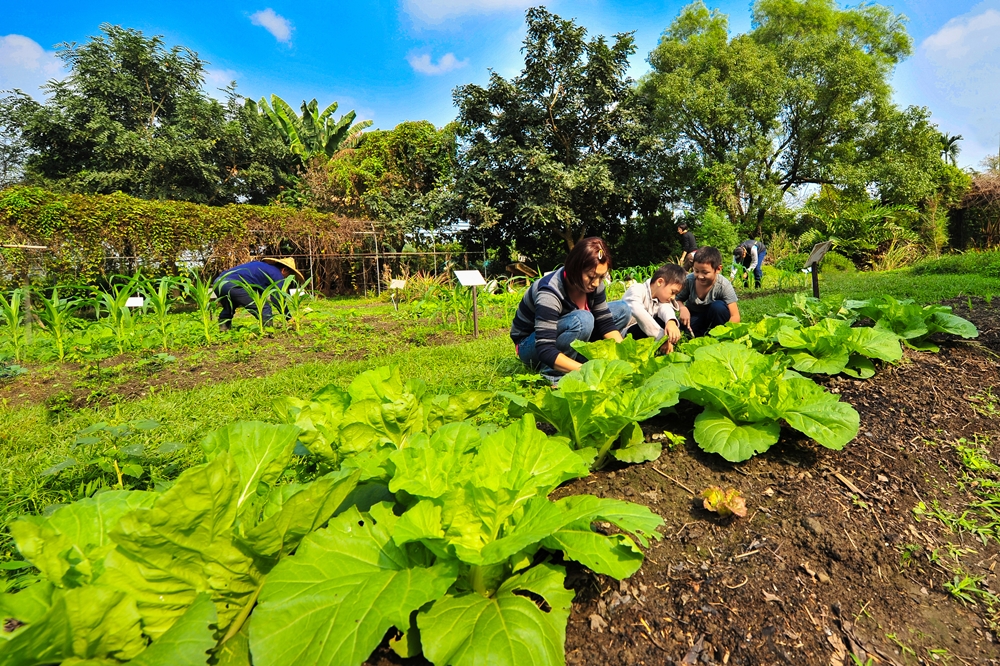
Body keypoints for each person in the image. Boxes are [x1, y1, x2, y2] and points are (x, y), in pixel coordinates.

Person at [511, 237, 632, 381]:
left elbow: (606, 324)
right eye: (591, 277)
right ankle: (554, 375)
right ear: (575, 268)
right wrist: (587, 371)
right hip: (532, 345)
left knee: (622, 310)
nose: (596, 283)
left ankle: (574, 359)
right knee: (582, 320)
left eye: (601, 277)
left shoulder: (596, 285)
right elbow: (545, 349)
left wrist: (628, 358)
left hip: (568, 330)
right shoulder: (549, 292)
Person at [213, 257, 304, 330]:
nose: (286, 278)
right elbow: (277, 298)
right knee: (264, 307)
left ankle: (224, 330)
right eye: (288, 275)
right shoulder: (277, 274)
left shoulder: (262, 267)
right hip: (233, 284)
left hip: (218, 282)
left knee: (229, 307)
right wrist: (289, 318)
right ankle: (268, 330)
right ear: (284, 270)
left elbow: (260, 290)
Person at [677, 246, 741, 337]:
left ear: (718, 269)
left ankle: (715, 336)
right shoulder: (689, 280)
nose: (700, 276)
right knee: (685, 332)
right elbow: (677, 299)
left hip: (715, 316)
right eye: (696, 271)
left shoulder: (723, 285)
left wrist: (725, 334)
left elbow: (735, 316)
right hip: (695, 315)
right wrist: (682, 308)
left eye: (705, 272)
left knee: (718, 307)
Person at [623, 264, 685, 352]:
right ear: (660, 282)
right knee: (658, 322)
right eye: (673, 292)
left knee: (668, 321)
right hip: (626, 334)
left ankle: (662, 348)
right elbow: (639, 312)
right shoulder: (637, 289)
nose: (673, 297)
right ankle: (660, 346)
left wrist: (671, 322)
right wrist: (661, 338)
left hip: (646, 332)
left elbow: (665, 308)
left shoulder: (660, 298)